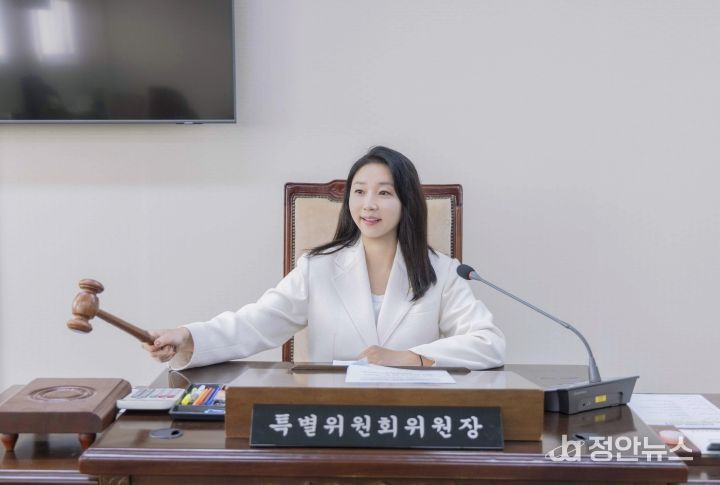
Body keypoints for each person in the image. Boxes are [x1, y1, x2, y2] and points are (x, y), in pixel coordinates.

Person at [143, 146, 505, 370]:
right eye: (359, 192)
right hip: (332, 414)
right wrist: (186, 336)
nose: (369, 204)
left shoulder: (442, 272)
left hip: (412, 417)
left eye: (384, 193)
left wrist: (410, 358)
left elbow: (488, 343)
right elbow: (255, 323)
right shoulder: (317, 267)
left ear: (406, 202)